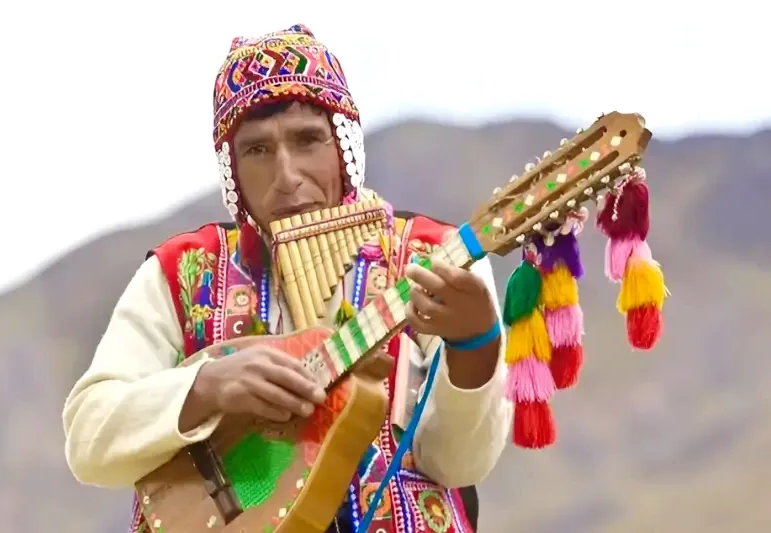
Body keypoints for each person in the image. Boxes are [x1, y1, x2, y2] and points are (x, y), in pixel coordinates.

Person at [62, 24, 513, 533]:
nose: (287, 175)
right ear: (232, 170)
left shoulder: (433, 259)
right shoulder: (181, 274)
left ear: (343, 147)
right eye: (257, 150)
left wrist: (477, 347)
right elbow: (87, 435)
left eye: (307, 140)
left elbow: (460, 463)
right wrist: (206, 388)